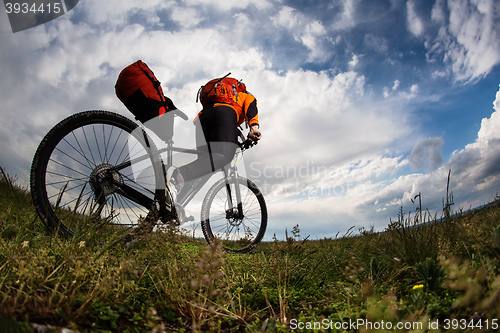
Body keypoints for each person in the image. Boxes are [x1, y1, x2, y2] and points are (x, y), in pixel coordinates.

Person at [170, 77, 261, 199]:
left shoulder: (219, 99)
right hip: (223, 114)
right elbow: (251, 109)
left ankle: (176, 202)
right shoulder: (244, 96)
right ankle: (180, 175)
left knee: (203, 165)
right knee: (224, 155)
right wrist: (254, 128)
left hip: (202, 119)